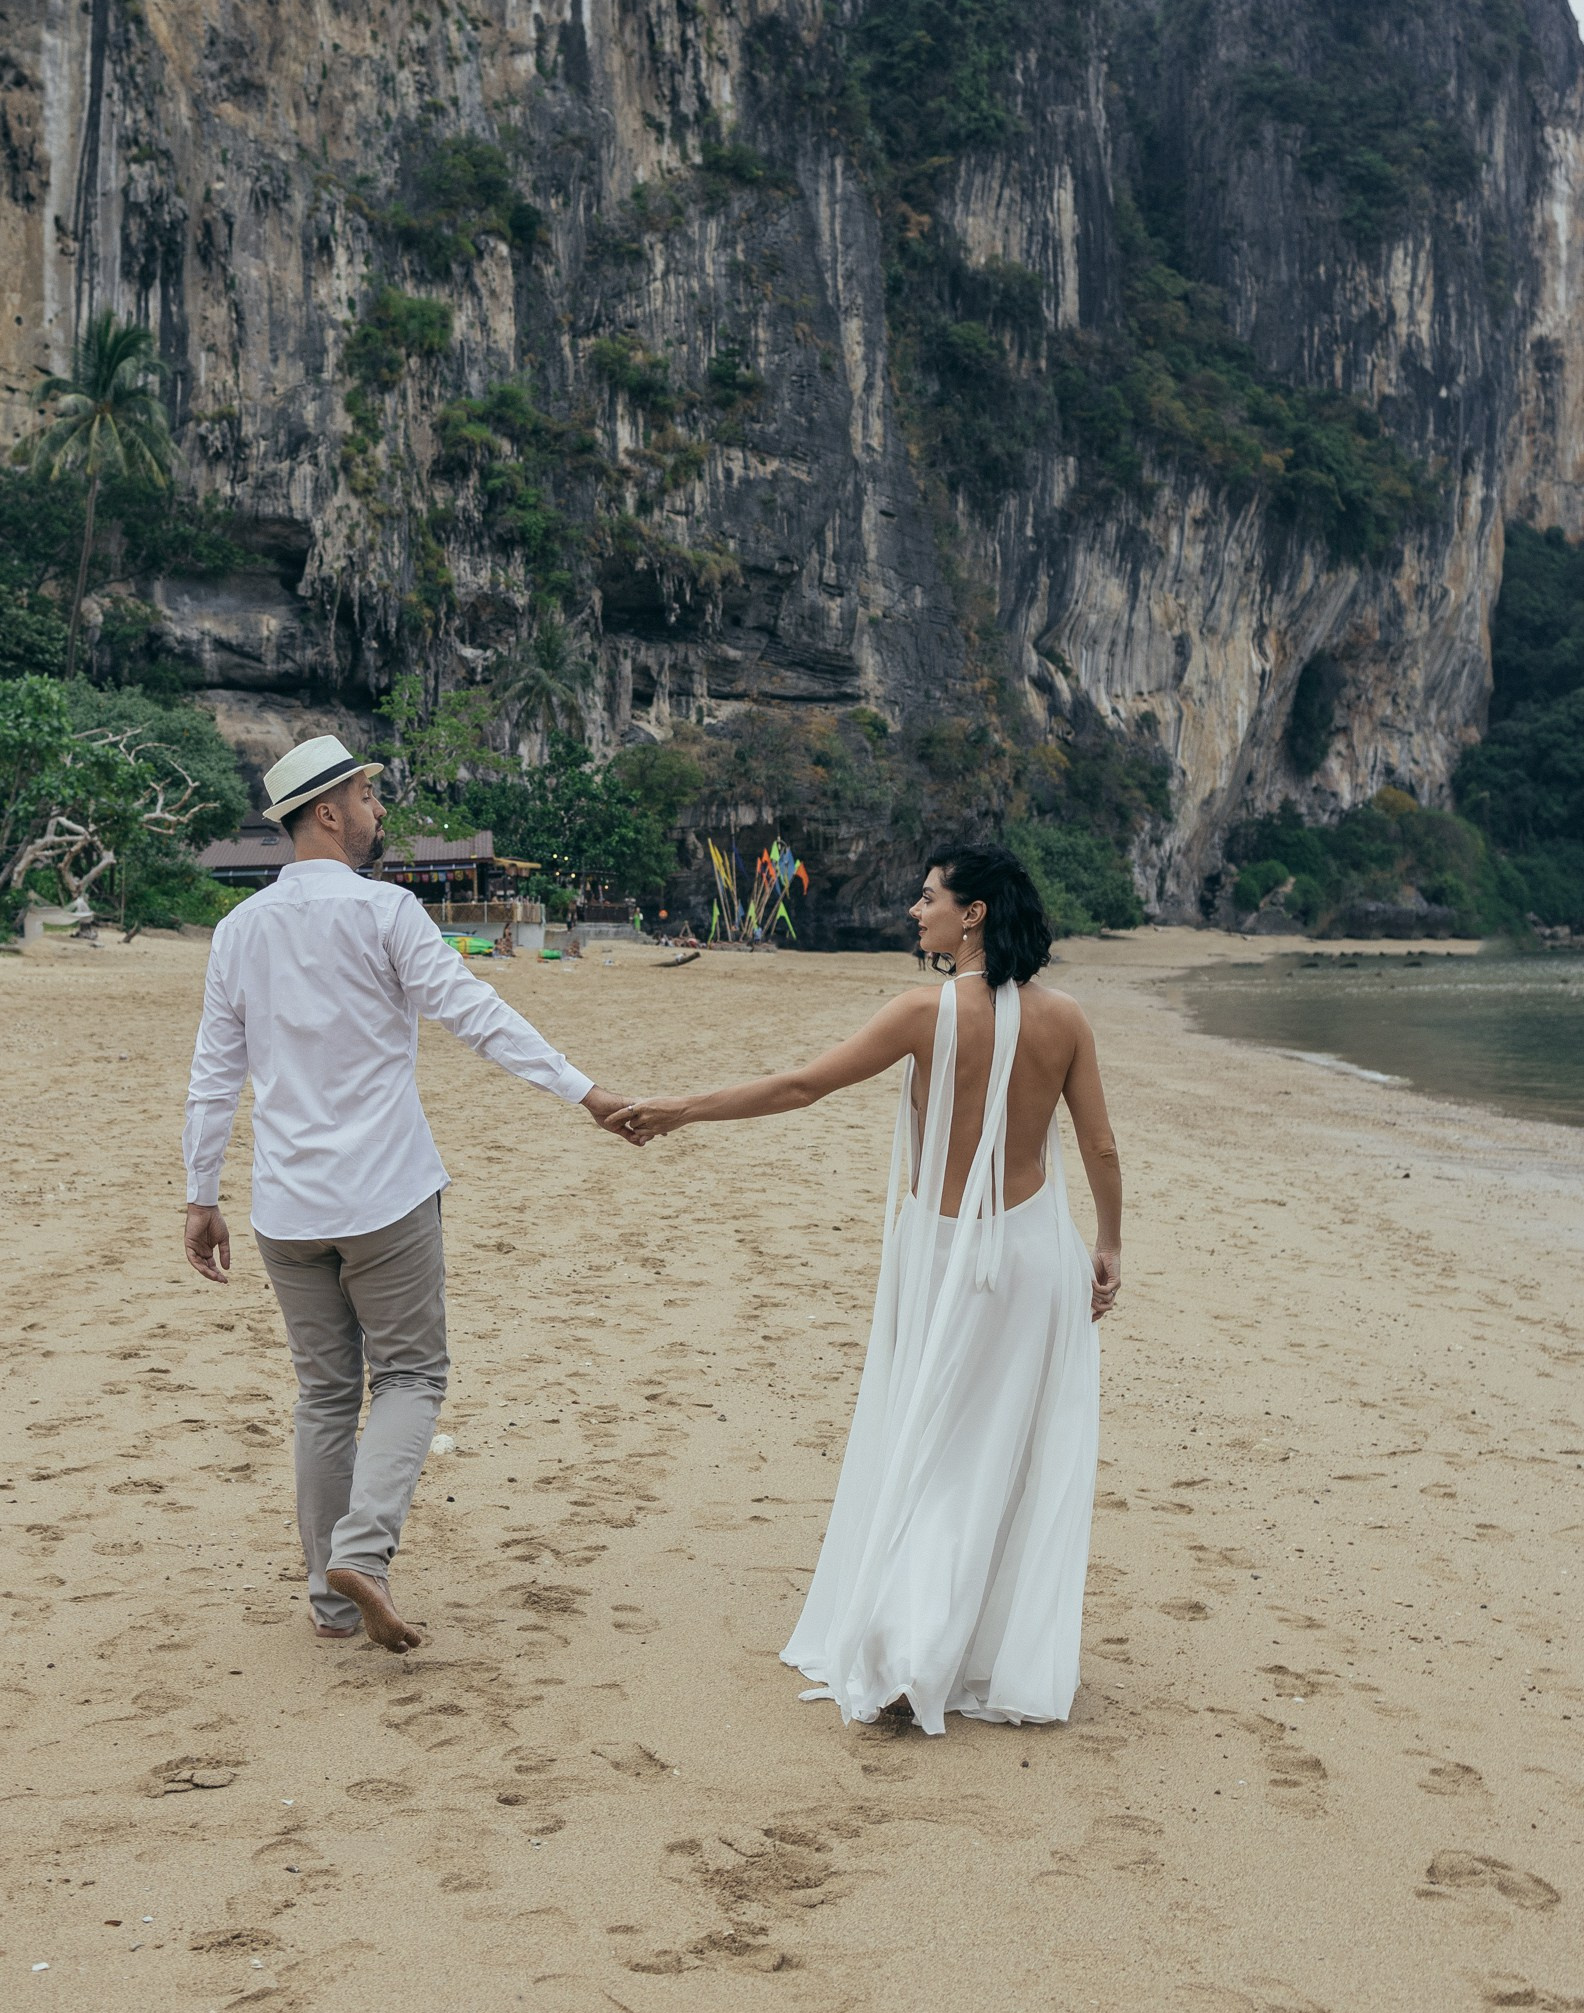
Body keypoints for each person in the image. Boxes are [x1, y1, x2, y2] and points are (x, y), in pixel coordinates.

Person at [617, 844, 1120, 1732]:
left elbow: (801, 1087)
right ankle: (973, 1649)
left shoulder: (925, 1013)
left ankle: (910, 1654)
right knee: (1001, 1454)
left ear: (973, 914)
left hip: (945, 1255)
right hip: (1038, 1254)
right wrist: (1109, 1245)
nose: (915, 911)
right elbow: (1099, 1146)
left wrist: (680, 1109)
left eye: (929, 898)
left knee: (935, 1448)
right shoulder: (1067, 1019)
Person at [182, 735, 634, 1652]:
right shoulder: (384, 911)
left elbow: (213, 1075)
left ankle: (330, 1602)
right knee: (412, 1376)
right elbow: (476, 1015)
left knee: (323, 1396)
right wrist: (583, 1091)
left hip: (285, 1209)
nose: (378, 811)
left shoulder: (239, 930)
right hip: (384, 1194)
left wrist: (200, 1195)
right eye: (366, 796)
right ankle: (363, 1553)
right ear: (327, 812)